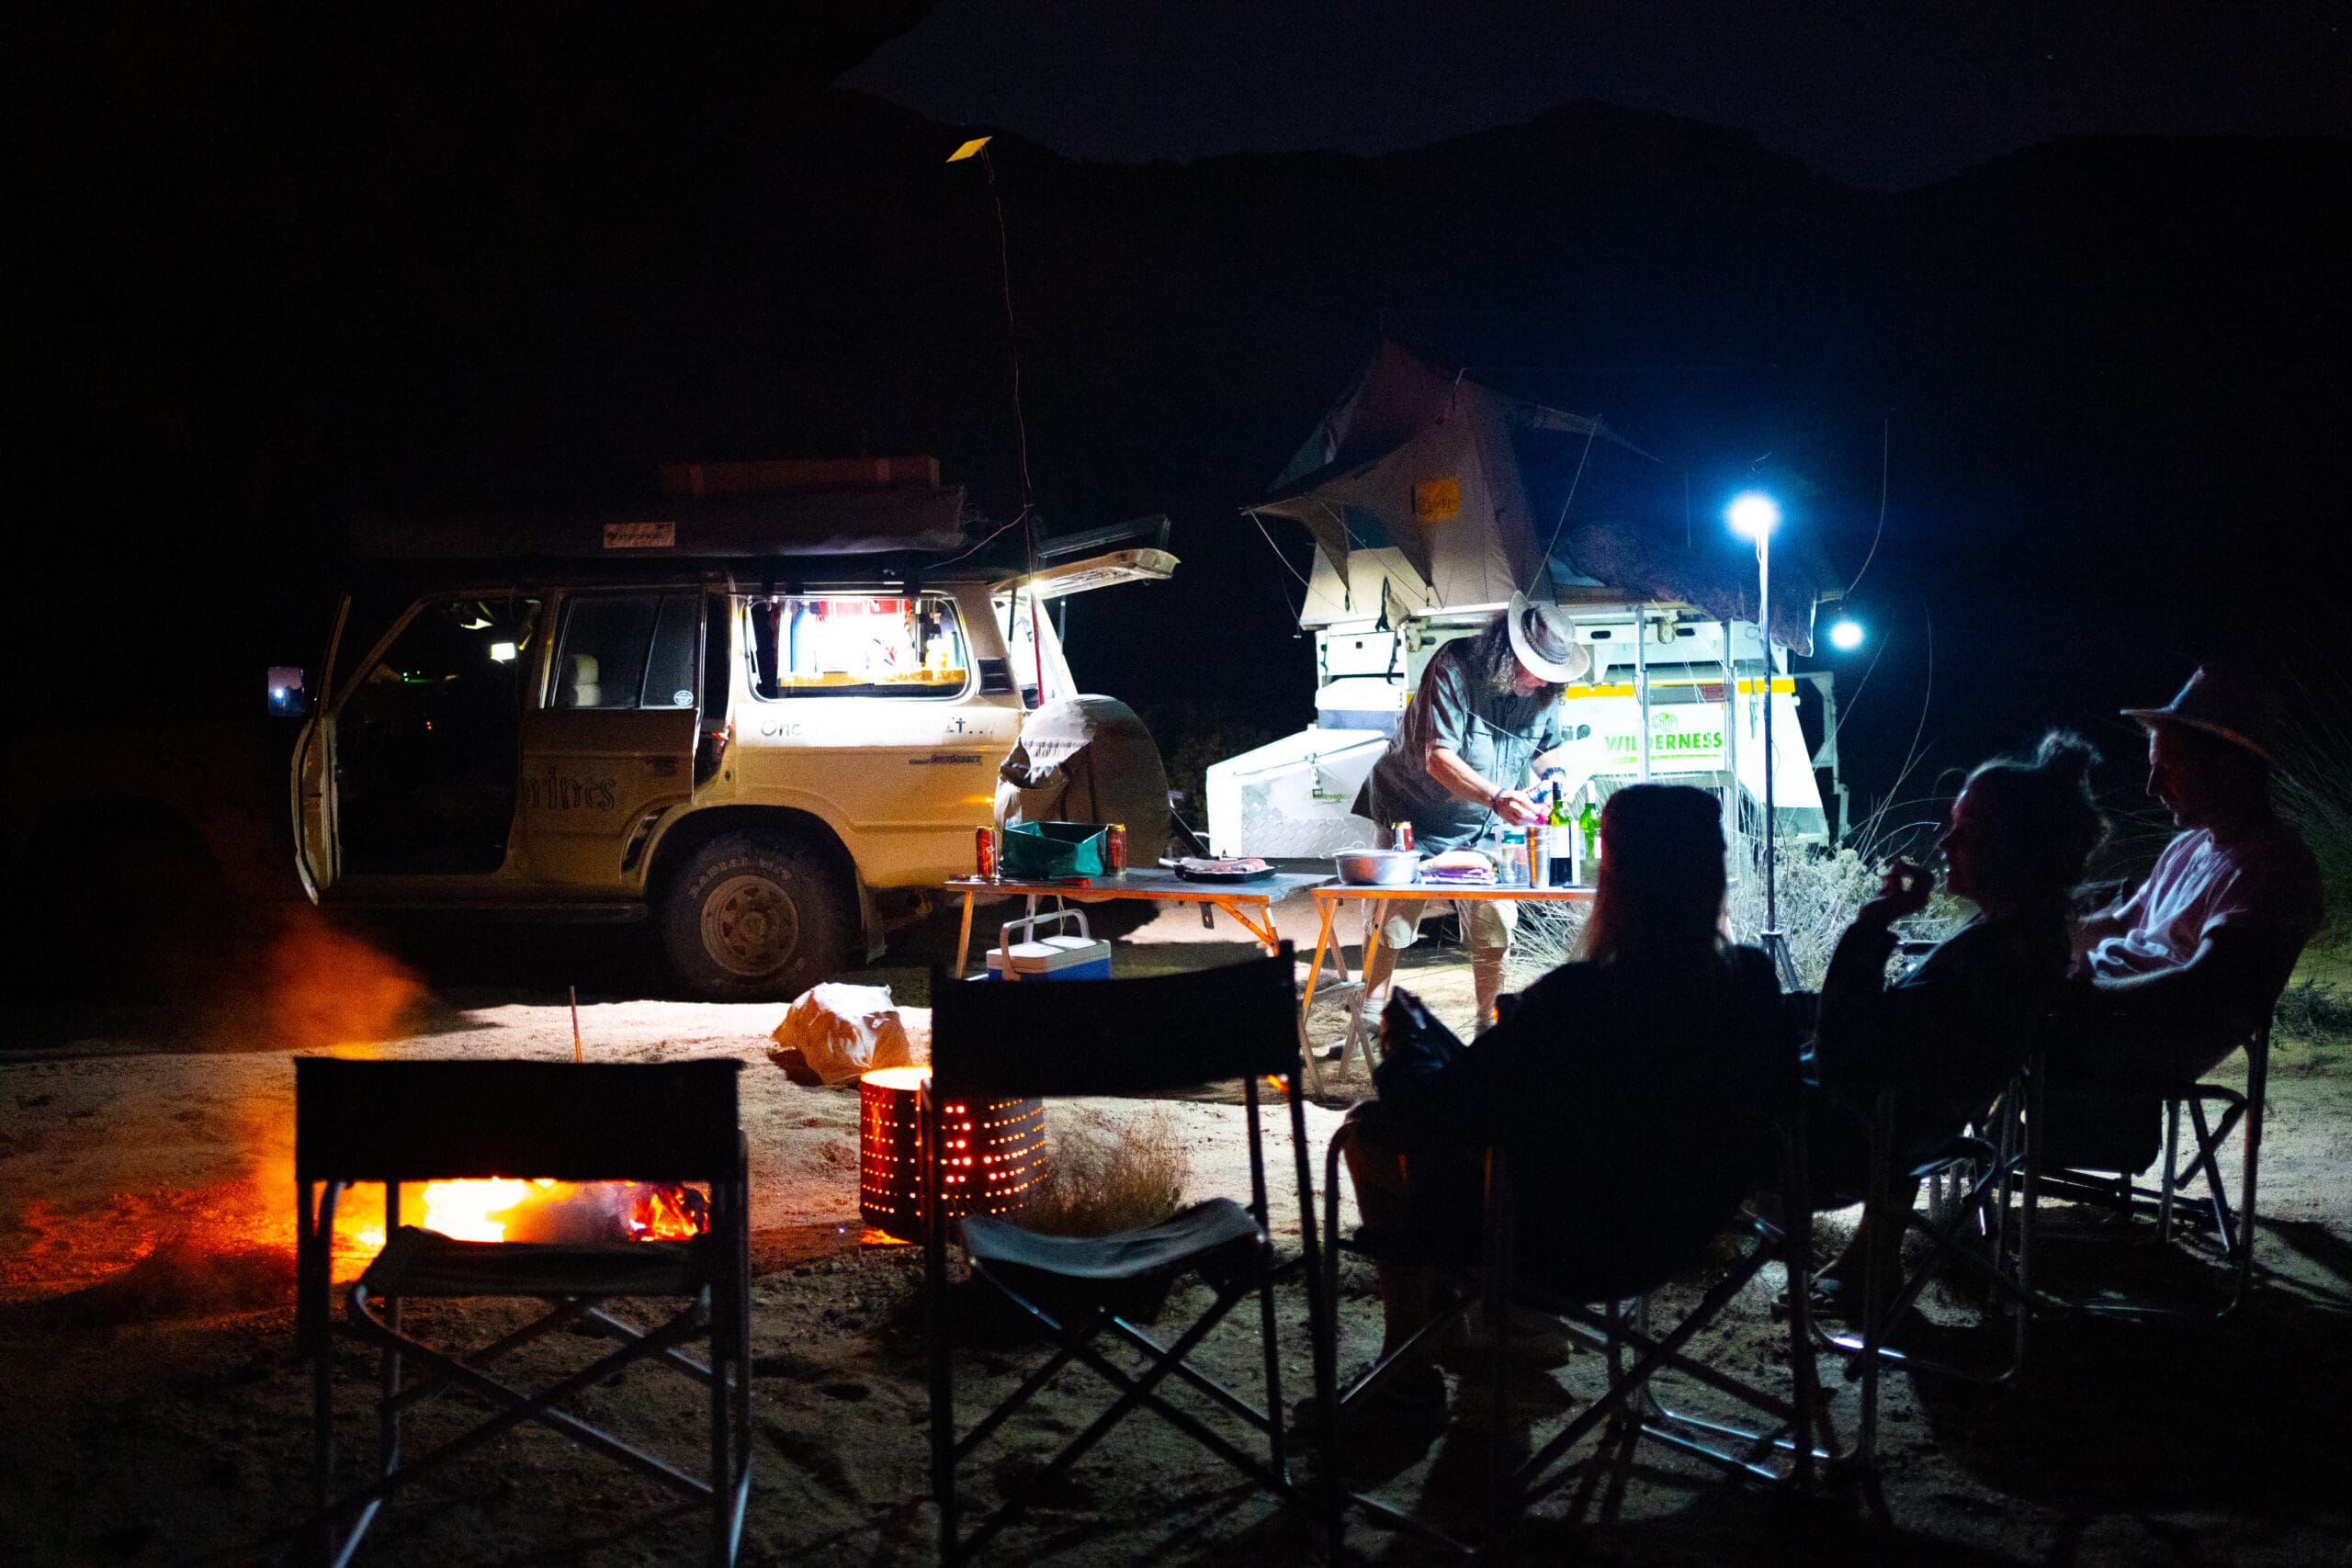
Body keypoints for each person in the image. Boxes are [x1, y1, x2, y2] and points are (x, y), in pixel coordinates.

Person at [1338, 784, 1796, 1435]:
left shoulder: (1579, 1001)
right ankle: (1474, 1336)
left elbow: (1437, 1116)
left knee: (1367, 1132)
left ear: (1615, 877)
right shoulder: (1749, 980)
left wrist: (1404, 1046)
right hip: (1687, 1226)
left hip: (1558, 1249)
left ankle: (1411, 1367)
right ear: (1711, 870)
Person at [1806, 732, 2108, 1308]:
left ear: (2010, 847)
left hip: (1836, 1141)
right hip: (1914, 1129)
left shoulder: (1990, 958)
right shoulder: (2029, 939)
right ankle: (1870, 1259)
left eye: (1964, 829)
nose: (1946, 842)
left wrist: (1872, 927)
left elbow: (1844, 1055)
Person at [2048, 666, 2324, 1165]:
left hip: (2146, 1033)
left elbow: (2207, 985)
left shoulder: (2274, 865)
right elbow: (2117, 923)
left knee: (1982, 1025)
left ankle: (1923, 1181)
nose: (2152, 786)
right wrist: (2027, 937)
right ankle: (1952, 1178)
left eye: (2168, 769)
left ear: (2227, 768)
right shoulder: (2188, 846)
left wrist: (2084, 996)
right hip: (2102, 1009)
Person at [1358, 592, 1590, 1030]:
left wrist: (1554, 779)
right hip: (1412, 811)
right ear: (1509, 651)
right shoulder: (1454, 666)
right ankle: (1368, 1019)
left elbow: (1548, 749)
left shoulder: (1545, 691)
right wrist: (1500, 798)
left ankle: (1490, 1025)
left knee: (1494, 923)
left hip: (1485, 825)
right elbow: (1437, 757)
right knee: (1390, 922)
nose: (1541, 682)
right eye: (1535, 670)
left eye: (1550, 675)